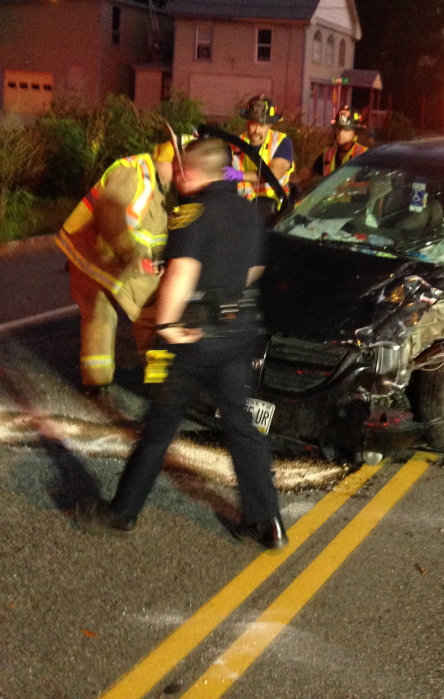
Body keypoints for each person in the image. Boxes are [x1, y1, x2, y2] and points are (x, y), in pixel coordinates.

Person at [75, 137, 287, 549]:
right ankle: (267, 524)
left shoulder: (191, 213)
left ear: (191, 173)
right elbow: (256, 266)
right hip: (238, 330)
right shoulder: (249, 211)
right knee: (242, 429)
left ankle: (122, 512)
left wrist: (168, 324)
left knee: (158, 428)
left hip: (193, 337)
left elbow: (180, 273)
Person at [55, 141, 177, 392]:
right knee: (153, 312)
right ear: (167, 162)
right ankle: (161, 382)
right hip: (112, 259)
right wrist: (130, 255)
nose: (179, 177)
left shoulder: (157, 183)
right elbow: (110, 212)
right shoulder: (137, 173)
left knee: (99, 317)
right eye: (178, 169)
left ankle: (96, 382)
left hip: (86, 256)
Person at [230, 95, 294, 221]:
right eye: (253, 124)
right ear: (247, 122)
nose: (256, 130)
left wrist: (239, 175)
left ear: (270, 124)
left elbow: (273, 174)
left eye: (262, 125)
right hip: (242, 212)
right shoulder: (235, 144)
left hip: (274, 214)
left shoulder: (282, 142)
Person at [312, 107, 368, 177]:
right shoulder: (328, 154)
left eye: (346, 130)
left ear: (355, 132)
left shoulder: (364, 155)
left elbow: (367, 182)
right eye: (338, 129)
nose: (340, 133)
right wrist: (296, 177)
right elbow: (312, 170)